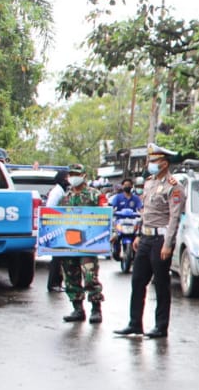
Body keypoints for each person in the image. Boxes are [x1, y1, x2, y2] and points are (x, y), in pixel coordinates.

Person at [114, 143, 185, 340]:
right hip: (145, 237)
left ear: (164, 163)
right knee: (138, 281)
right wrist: (137, 234)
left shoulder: (174, 187)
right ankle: (134, 323)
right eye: (150, 161)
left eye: (154, 161)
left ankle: (161, 326)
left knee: (161, 284)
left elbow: (174, 217)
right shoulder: (149, 182)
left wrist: (168, 244)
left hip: (160, 238)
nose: (150, 164)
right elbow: (145, 212)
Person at [59, 164, 105, 324]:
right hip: (69, 243)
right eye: (71, 174)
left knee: (90, 275)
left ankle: (96, 309)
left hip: (89, 243)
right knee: (71, 275)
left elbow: (105, 217)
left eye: (76, 174)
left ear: (84, 176)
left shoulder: (95, 195)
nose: (73, 177)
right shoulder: (65, 198)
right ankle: (77, 308)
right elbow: (56, 219)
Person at [44, 169, 69, 293]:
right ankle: (53, 283)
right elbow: (50, 209)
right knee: (57, 257)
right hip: (57, 226)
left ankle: (57, 282)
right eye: (67, 177)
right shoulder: (57, 192)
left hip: (62, 226)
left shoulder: (62, 191)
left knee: (61, 257)